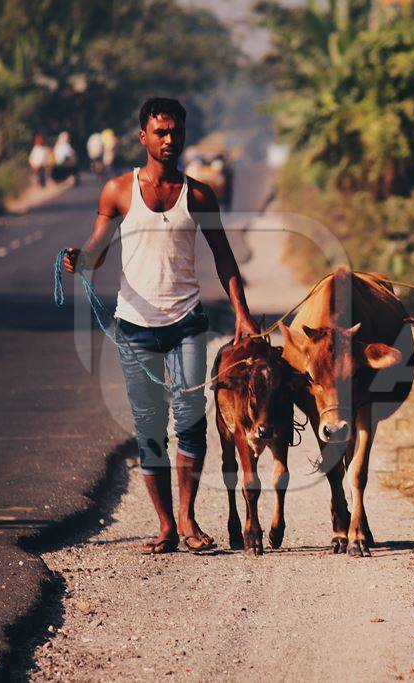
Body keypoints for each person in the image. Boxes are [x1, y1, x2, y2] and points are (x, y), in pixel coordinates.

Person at [61, 98, 258, 555]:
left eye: (176, 132)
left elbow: (224, 256)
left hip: (187, 322)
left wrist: (243, 313)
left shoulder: (200, 195)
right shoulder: (118, 191)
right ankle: (166, 525)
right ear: (143, 136)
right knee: (149, 428)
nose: (169, 140)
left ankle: (188, 518)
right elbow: (98, 249)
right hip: (134, 327)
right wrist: (80, 259)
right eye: (161, 132)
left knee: (190, 422)